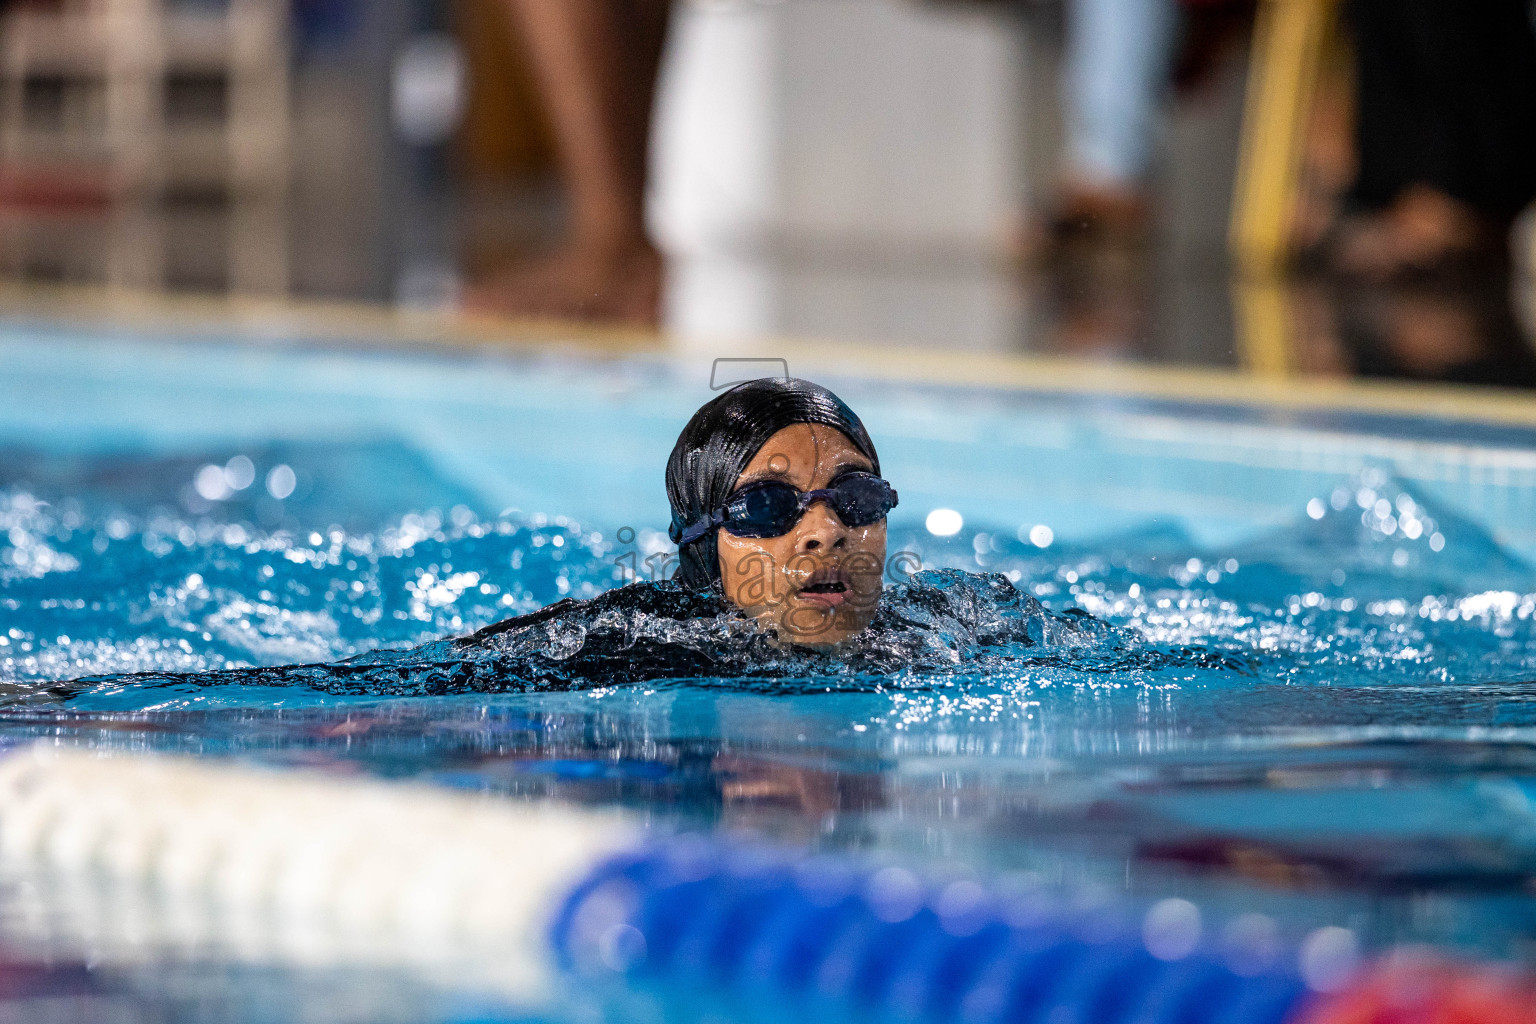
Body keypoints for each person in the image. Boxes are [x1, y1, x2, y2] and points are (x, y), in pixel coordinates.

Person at [663, 376, 897, 648]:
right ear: (701, 545)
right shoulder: (630, 661)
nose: (827, 531)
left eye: (857, 495)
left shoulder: (937, 638)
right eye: (768, 505)